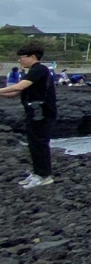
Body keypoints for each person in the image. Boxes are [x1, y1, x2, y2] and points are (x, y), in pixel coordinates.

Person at [0, 43, 58, 187]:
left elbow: (20, 86)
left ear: (32, 56)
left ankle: (44, 176)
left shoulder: (39, 69)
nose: (20, 60)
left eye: (22, 57)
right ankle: (38, 173)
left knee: (40, 144)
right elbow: (16, 92)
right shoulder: (32, 71)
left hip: (42, 113)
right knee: (33, 144)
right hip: (33, 113)